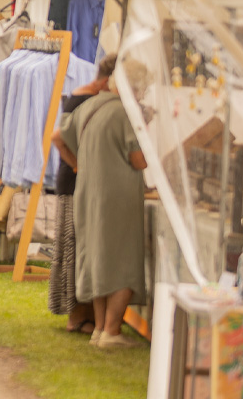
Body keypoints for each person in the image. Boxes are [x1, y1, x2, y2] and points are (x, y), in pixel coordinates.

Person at [52, 58, 147, 349]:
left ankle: (101, 330)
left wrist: (79, 165)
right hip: (118, 195)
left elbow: (58, 136)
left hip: (88, 193)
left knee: (97, 260)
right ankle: (112, 331)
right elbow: (138, 160)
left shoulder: (89, 106)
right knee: (124, 263)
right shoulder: (125, 113)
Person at [48, 55, 115, 336]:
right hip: (74, 184)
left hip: (76, 182)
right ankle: (76, 317)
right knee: (74, 248)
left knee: (76, 248)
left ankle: (81, 315)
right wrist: (78, 165)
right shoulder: (84, 99)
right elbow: (57, 138)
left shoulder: (82, 97)